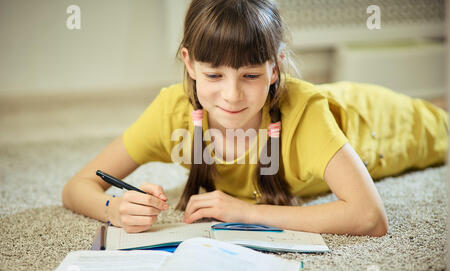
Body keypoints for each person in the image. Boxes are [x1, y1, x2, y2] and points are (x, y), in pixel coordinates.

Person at [62, 0, 448, 237]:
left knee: (440, 120)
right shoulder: (172, 110)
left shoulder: (305, 114)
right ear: (189, 63)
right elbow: (78, 186)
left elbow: (369, 217)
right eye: (214, 75)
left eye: (250, 75)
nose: (231, 96)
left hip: (378, 122)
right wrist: (116, 209)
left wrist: (245, 212)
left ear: (276, 66)